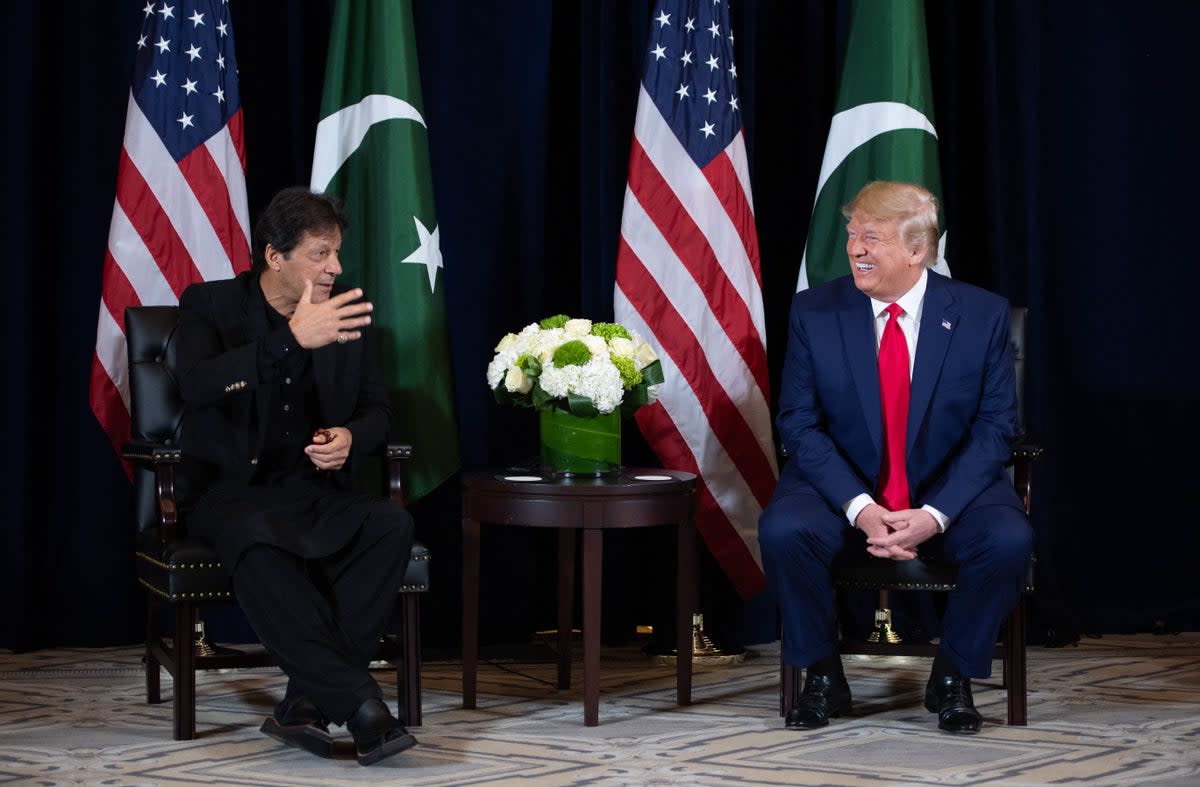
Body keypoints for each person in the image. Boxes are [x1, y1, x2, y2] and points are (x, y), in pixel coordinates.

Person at [759, 180, 1032, 734]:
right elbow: (799, 423)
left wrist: (935, 515)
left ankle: (952, 673)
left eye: (872, 237)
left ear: (917, 250)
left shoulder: (981, 315)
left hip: (947, 485)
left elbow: (997, 427)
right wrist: (860, 507)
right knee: (784, 529)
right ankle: (821, 673)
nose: (856, 248)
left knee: (1009, 540)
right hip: (842, 485)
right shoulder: (816, 312)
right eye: (853, 234)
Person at [176, 186, 418, 765]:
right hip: (229, 492)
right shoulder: (209, 306)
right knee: (260, 547)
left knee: (389, 524)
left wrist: (351, 438)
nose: (335, 266)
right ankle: (361, 705)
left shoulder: (347, 312)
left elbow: (378, 410)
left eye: (337, 253)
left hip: (312, 491)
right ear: (274, 256)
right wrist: (289, 342)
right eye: (320, 253)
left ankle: (303, 703)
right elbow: (196, 387)